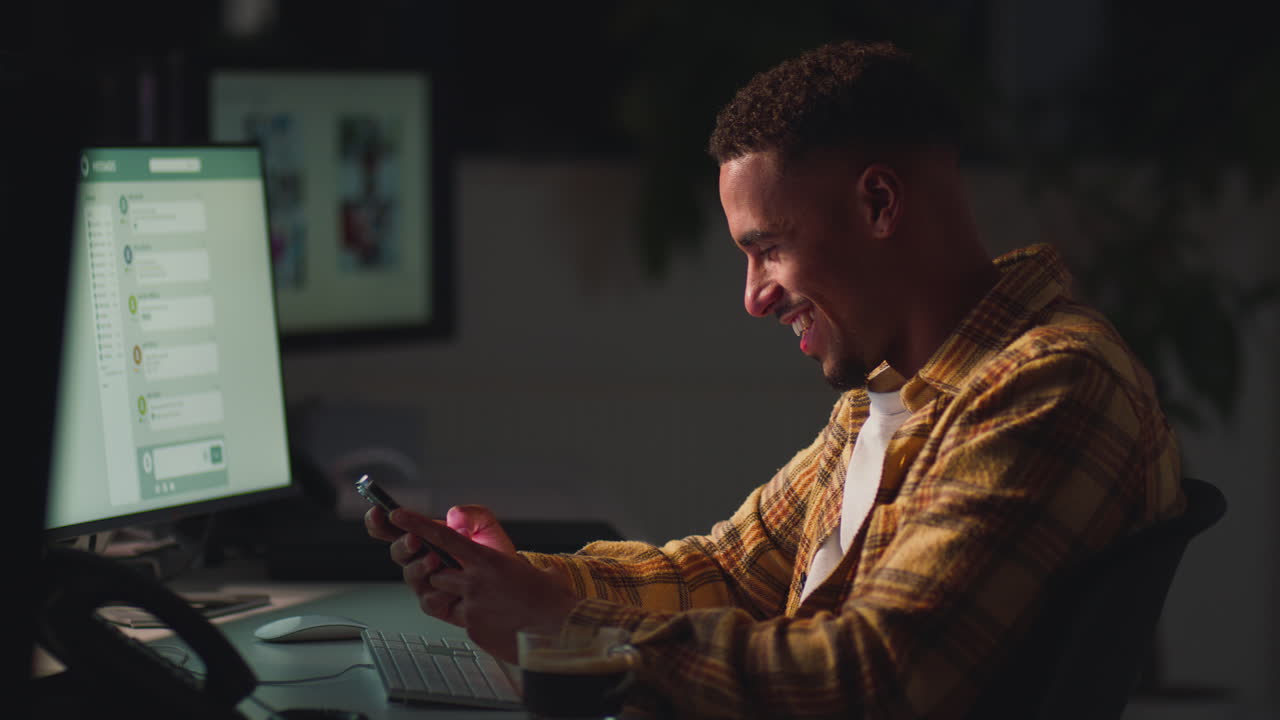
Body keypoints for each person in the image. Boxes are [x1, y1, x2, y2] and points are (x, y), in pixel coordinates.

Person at [365, 40, 1184, 719]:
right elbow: (726, 573)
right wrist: (525, 583)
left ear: (878, 205)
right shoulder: (898, 389)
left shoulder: (1047, 386)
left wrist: (564, 629)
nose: (754, 298)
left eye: (769, 249)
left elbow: (881, 679)